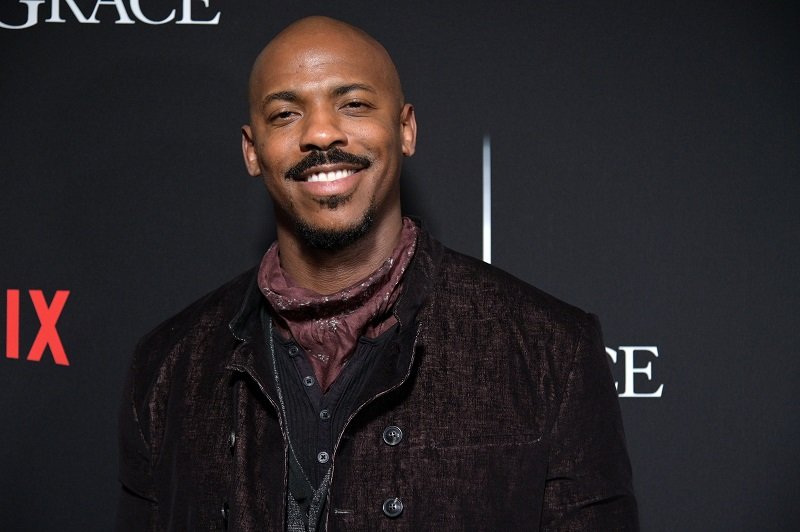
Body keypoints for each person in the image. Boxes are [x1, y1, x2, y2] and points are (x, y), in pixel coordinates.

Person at [116, 15, 638, 531]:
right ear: (253, 152)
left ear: (405, 129)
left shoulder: (551, 350)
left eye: (354, 104)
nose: (321, 132)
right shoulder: (168, 366)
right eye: (285, 115)